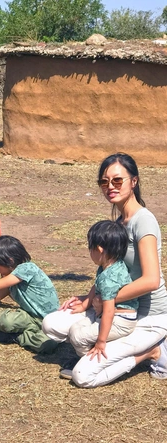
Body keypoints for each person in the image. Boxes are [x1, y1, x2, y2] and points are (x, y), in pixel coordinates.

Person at [42, 152, 167, 386]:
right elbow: (109, 272)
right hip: (116, 308)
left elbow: (151, 280)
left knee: (82, 377)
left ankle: (151, 352)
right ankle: (107, 344)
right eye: (104, 181)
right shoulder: (119, 223)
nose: (110, 186)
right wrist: (87, 300)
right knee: (51, 323)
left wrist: (107, 299)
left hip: (147, 316)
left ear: (134, 181)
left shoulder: (144, 221)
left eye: (117, 180)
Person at [69, 220, 136, 362]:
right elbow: (95, 286)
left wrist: (101, 341)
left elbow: (109, 312)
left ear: (99, 250)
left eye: (90, 248)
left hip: (120, 322)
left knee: (77, 336)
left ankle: (88, 361)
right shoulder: (112, 264)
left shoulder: (108, 279)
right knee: (75, 328)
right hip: (115, 316)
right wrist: (84, 305)